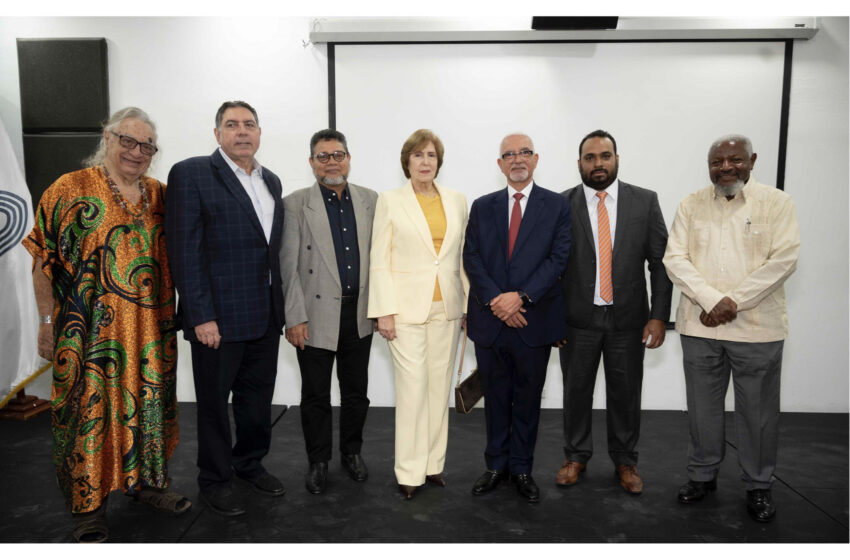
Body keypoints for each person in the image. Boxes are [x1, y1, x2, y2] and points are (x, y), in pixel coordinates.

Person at [23, 107, 190, 543]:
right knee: (87, 413)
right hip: (86, 335)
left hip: (152, 333)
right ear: (107, 138)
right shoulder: (69, 189)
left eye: (147, 145)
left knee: (151, 408)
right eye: (128, 141)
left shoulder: (162, 195)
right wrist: (46, 322)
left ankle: (148, 486)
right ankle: (88, 506)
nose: (137, 152)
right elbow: (43, 263)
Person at [663, 134, 800, 522]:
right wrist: (711, 301)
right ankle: (702, 476)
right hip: (700, 326)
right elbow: (675, 259)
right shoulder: (690, 205)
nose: (726, 168)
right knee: (702, 411)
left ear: (752, 160)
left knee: (757, 414)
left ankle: (758, 485)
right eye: (717, 162)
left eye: (734, 160)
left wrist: (731, 303)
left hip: (757, 329)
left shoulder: (777, 203)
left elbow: (783, 261)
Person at [165, 101, 286, 517]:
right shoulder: (192, 173)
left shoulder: (271, 180)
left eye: (249, 124)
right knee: (215, 406)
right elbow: (184, 250)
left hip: (265, 317)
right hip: (217, 319)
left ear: (259, 131)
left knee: (256, 403)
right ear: (217, 134)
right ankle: (215, 480)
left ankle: (249, 463)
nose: (242, 132)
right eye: (231, 125)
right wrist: (200, 315)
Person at [555, 130, 672, 494]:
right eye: (590, 158)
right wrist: (552, 318)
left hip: (628, 320)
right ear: (579, 164)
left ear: (617, 159)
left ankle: (625, 461)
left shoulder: (645, 202)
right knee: (576, 392)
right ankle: (576, 456)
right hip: (577, 320)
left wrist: (658, 315)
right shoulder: (562, 204)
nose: (598, 164)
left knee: (625, 392)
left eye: (605, 156)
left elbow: (660, 263)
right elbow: (552, 265)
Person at [463, 133, 571, 503]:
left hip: (533, 322)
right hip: (491, 322)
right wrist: (498, 301)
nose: (517, 159)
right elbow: (471, 258)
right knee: (494, 398)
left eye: (524, 152)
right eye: (508, 154)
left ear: (536, 159)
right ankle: (495, 465)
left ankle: (522, 467)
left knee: (527, 399)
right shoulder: (482, 206)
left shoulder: (557, 206)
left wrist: (520, 298)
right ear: (499, 164)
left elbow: (558, 259)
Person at [368, 129, 468, 500]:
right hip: (404, 311)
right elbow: (380, 258)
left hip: (449, 308)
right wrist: (383, 312)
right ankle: (409, 471)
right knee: (412, 391)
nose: (425, 162)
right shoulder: (390, 201)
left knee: (438, 389)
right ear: (406, 162)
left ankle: (432, 465)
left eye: (431, 156)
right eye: (418, 156)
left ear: (438, 162)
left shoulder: (457, 200)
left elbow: (461, 258)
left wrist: (469, 306)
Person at [280, 129, 378, 494]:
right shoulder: (294, 204)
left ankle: (351, 453)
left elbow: (381, 261)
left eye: (338, 154)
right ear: (311, 163)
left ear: (349, 159)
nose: (332, 162)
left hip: (359, 314)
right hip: (314, 315)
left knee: (357, 393)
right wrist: (294, 317)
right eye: (323, 156)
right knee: (316, 395)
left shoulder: (371, 200)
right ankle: (318, 460)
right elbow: (288, 266)